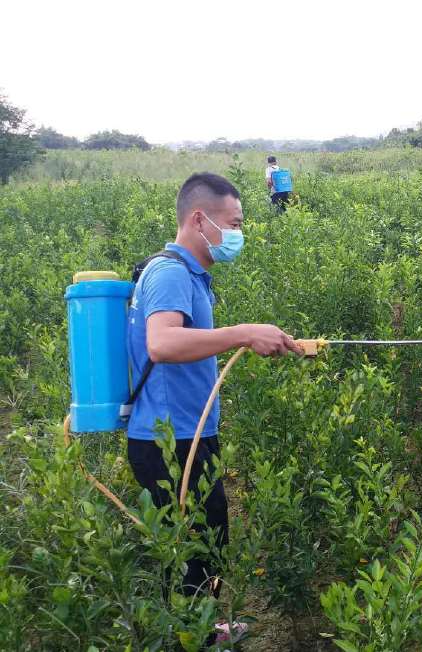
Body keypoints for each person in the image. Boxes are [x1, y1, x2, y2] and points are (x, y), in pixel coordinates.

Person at [125, 172, 303, 643]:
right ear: (199, 219)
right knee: (195, 544)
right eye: (235, 222)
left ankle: (198, 628)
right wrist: (245, 332)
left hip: (187, 431)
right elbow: (162, 343)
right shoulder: (170, 274)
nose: (239, 233)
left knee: (204, 538)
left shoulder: (191, 276)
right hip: (168, 440)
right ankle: (192, 636)